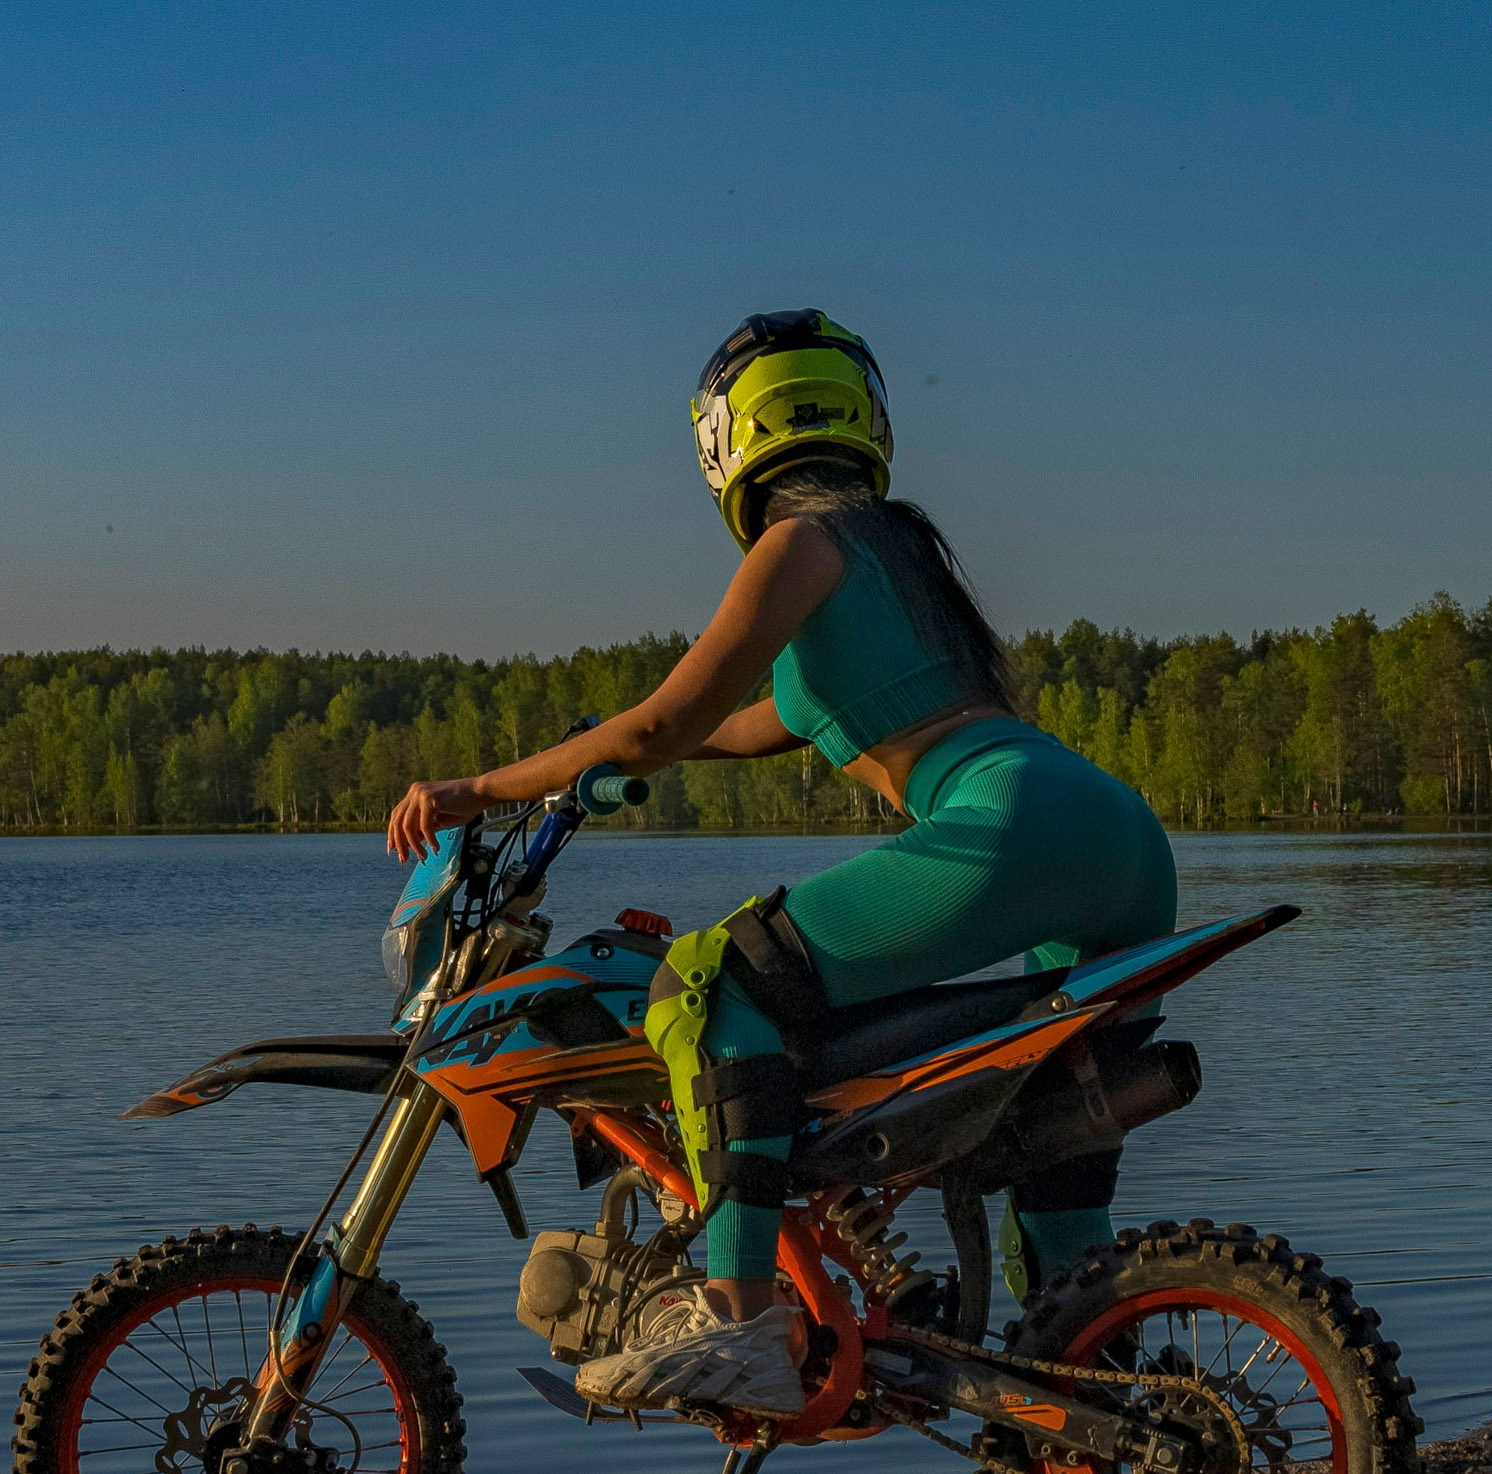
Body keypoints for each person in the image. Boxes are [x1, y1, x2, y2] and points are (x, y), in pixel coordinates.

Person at [384, 309, 1177, 1417]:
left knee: (706, 983)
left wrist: (473, 793)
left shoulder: (796, 547)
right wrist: (542, 772)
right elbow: (710, 731)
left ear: (723, 440)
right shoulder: (898, 560)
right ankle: (1105, 1420)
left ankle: (738, 1321)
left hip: (1007, 827)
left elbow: (658, 727)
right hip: (1113, 838)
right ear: (861, 415)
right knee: (1050, 1160)